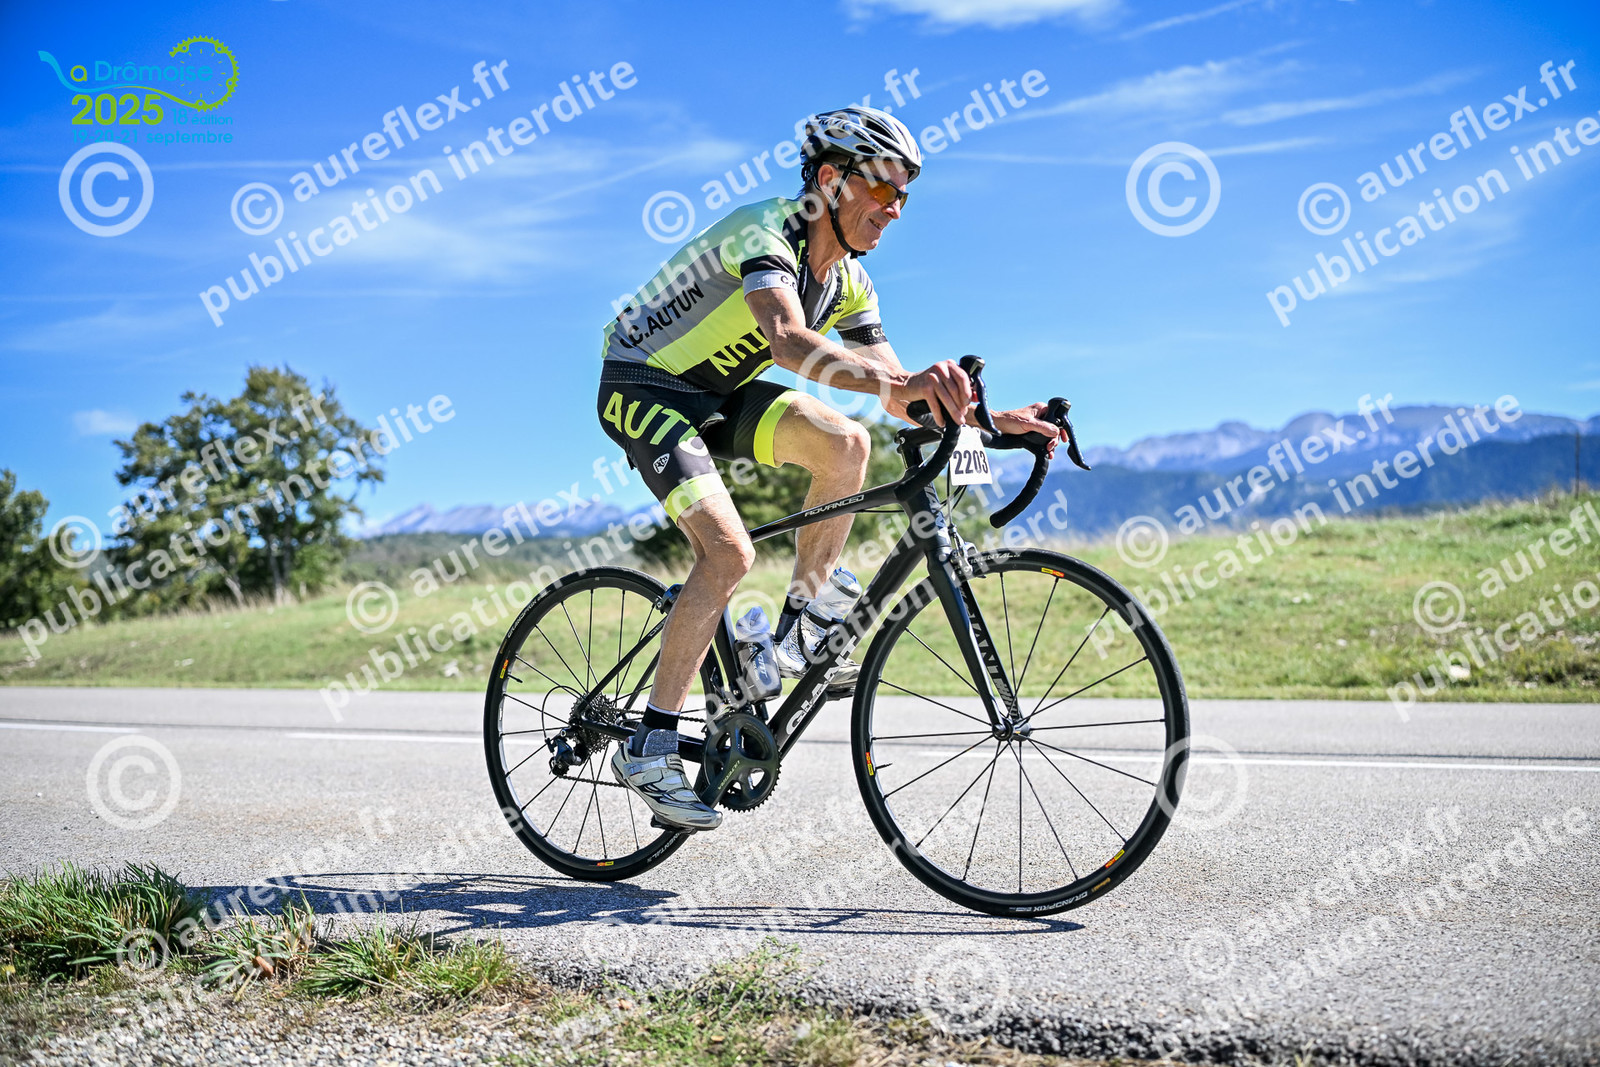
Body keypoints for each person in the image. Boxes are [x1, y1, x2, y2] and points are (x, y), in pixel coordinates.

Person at [595, 106, 1067, 830]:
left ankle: (799, 623)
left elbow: (901, 392)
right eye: (882, 187)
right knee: (728, 553)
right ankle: (649, 746)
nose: (895, 208)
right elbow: (787, 341)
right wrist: (901, 385)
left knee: (848, 444)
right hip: (641, 383)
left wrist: (996, 422)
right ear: (829, 179)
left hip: (718, 395)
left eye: (904, 194)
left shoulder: (850, 283)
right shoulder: (765, 233)